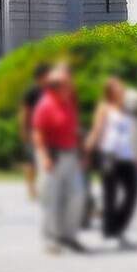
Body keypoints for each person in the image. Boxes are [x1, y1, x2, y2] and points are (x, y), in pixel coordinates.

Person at [33, 64, 86, 254]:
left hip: (70, 156)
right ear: (54, 87)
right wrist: (44, 157)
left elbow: (73, 128)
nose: (70, 87)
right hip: (53, 156)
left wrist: (81, 152)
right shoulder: (45, 105)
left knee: (77, 195)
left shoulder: (69, 102)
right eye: (66, 85)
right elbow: (38, 134)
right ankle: (50, 239)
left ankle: (68, 236)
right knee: (51, 199)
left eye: (69, 84)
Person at [87, 76, 137, 247]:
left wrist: (135, 154)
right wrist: (87, 150)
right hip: (108, 154)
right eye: (117, 87)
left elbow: (130, 134)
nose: (121, 90)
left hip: (127, 156)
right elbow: (97, 130)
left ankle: (117, 227)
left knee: (132, 192)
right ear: (110, 91)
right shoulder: (104, 107)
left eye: (122, 87)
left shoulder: (126, 109)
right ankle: (110, 232)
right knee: (110, 195)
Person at [21, 64, 49, 201]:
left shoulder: (52, 91)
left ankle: (44, 187)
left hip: (49, 132)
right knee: (31, 161)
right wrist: (24, 131)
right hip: (34, 131)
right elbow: (24, 113)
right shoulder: (31, 92)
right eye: (46, 75)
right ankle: (31, 188)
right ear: (39, 77)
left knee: (44, 161)